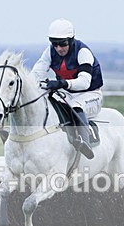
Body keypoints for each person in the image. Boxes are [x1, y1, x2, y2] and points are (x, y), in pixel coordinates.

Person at [32, 18, 102, 159]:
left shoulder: (83, 52)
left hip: (90, 94)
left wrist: (61, 83)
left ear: (71, 40)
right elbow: (36, 73)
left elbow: (84, 82)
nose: (58, 48)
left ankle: (85, 141)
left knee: (76, 106)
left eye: (62, 44)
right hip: (67, 93)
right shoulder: (50, 52)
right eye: (54, 44)